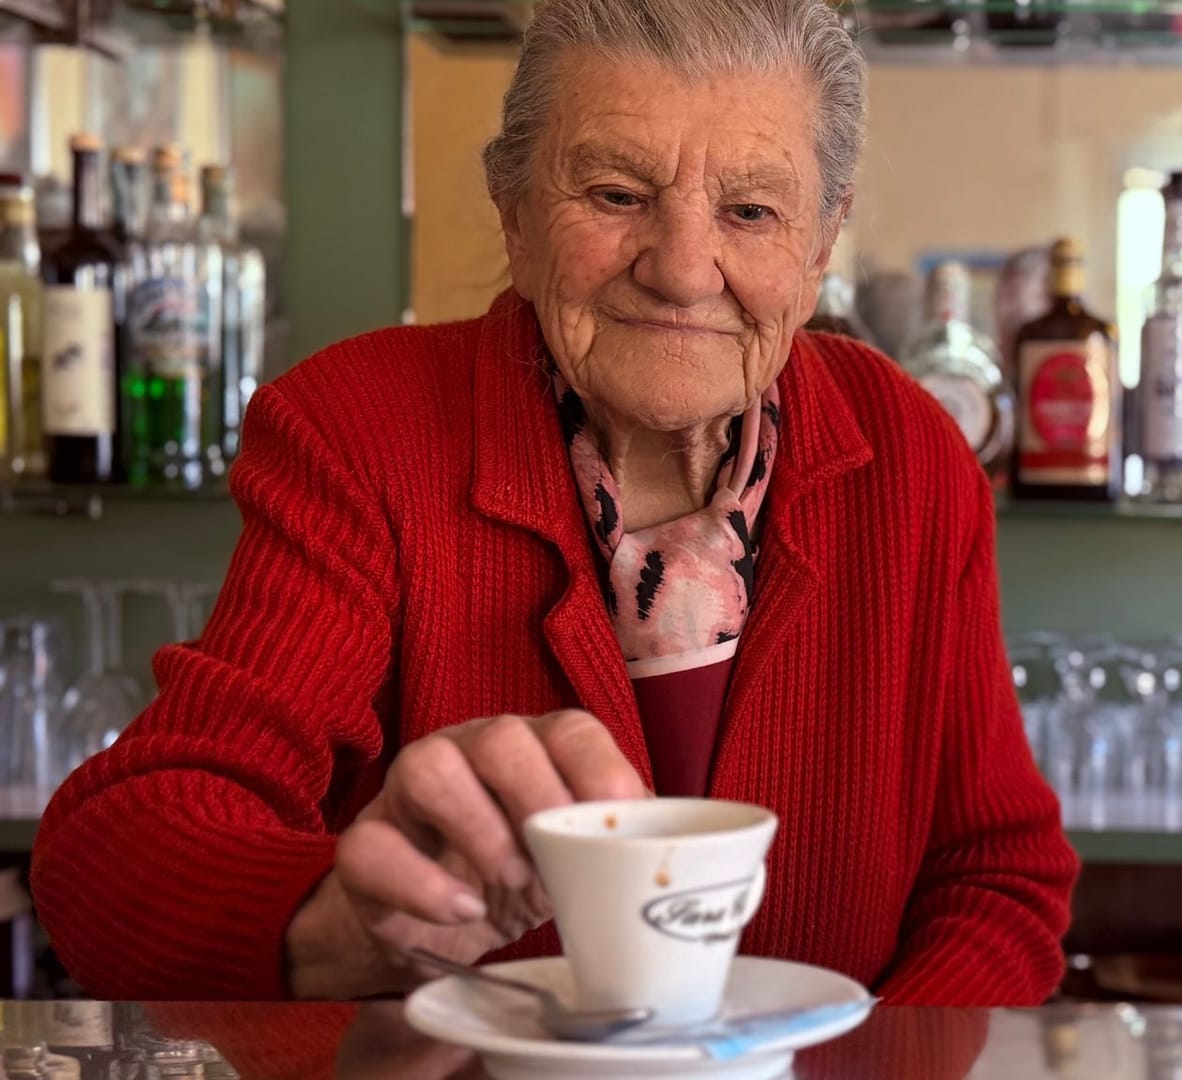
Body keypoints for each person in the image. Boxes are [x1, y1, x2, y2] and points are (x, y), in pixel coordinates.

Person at [32, 0, 1077, 1004]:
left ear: (818, 247)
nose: (681, 270)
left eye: (751, 210)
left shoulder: (911, 453)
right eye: (617, 194)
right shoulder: (361, 430)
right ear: (516, 213)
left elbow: (996, 879)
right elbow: (116, 858)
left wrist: (864, 1067)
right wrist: (335, 925)